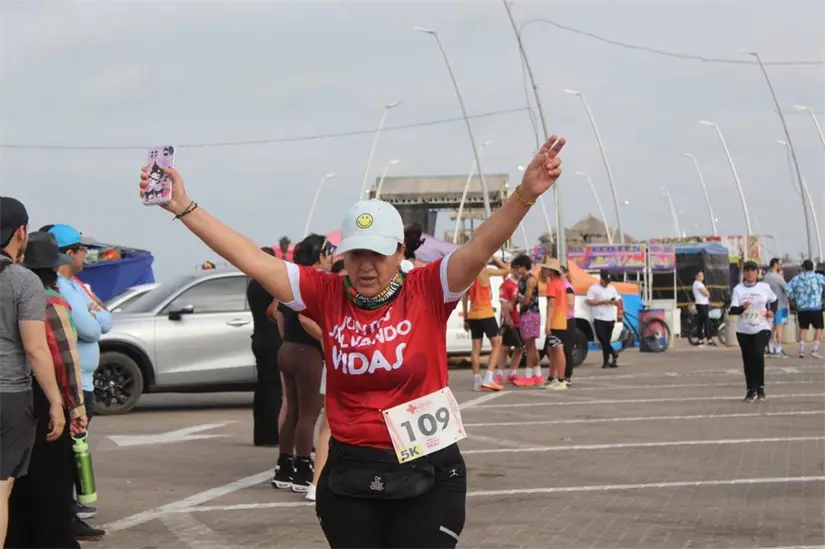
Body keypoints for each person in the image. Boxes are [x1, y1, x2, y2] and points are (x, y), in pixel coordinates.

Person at [138, 134, 565, 549]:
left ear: (400, 252)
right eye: (357, 254)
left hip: (429, 468)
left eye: (378, 254)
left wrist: (526, 194)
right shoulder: (326, 294)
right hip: (350, 474)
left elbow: (481, 245)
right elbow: (250, 258)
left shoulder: (428, 289)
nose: (366, 266)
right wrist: (183, 206)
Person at [7, 232, 93, 549]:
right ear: (54, 269)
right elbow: (65, 359)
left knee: (17, 480)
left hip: (15, 393)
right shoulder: (51, 301)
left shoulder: (11, 290)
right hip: (46, 396)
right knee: (52, 481)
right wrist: (75, 406)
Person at [0, 198, 65, 549]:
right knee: (0, 487)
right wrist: (55, 401)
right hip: (8, 395)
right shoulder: (22, 281)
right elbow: (36, 348)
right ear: (21, 232)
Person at [45, 224, 111, 534]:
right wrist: (93, 315)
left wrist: (94, 314)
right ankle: (66, 517)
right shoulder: (60, 286)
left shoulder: (77, 285)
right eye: (82, 250)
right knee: (69, 454)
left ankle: (68, 511)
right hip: (72, 385)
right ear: (68, 253)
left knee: (73, 450)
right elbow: (92, 328)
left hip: (82, 381)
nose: (86, 255)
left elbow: (105, 316)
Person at [271, 234, 333, 493]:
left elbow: (277, 313)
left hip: (287, 349)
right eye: (330, 252)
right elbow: (307, 319)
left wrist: (287, 338)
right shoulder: (319, 282)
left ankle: (285, 466)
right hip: (308, 352)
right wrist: (327, 339)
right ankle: (303, 468)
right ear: (320, 255)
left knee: (292, 411)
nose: (332, 258)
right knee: (309, 414)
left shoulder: (293, 280)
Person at [307, 259, 347, 503]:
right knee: (329, 425)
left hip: (369, 364)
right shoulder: (329, 296)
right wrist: (327, 338)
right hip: (338, 363)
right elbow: (304, 317)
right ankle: (316, 483)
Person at [247, 246, 284, 447]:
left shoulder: (253, 283)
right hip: (272, 338)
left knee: (262, 388)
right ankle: (272, 435)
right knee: (273, 389)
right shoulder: (268, 283)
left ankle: (261, 435)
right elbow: (274, 310)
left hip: (259, 337)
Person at [728, 261, 777, 401]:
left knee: (757, 354)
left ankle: (760, 386)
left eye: (752, 270)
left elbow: (774, 300)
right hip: (744, 329)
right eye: (747, 270)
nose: (750, 273)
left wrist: (772, 311)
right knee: (748, 358)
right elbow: (732, 310)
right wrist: (743, 307)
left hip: (762, 327)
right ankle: (751, 389)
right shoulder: (738, 289)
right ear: (744, 273)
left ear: (757, 272)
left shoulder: (764, 287)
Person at [461, 256, 508, 392]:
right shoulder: (486, 271)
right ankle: (488, 377)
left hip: (473, 314)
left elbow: (464, 298)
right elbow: (506, 270)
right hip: (486, 313)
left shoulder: (467, 275)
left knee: (476, 348)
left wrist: (466, 318)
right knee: (497, 343)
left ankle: (477, 381)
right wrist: (495, 258)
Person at [511, 253, 544, 387]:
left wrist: (517, 299)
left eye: (517, 267)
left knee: (530, 346)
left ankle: (528, 375)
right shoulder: (521, 280)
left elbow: (527, 299)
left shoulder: (531, 280)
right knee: (531, 346)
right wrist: (515, 301)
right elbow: (520, 298)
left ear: (523, 267)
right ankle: (538, 374)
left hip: (531, 314)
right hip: (524, 314)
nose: (515, 270)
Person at [785, 259, 825, 359]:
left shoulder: (796, 279)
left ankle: (802, 351)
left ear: (803, 268)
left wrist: (794, 298)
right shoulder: (818, 277)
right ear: (813, 267)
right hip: (815, 307)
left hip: (802, 308)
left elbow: (787, 290)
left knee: (803, 328)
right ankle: (815, 349)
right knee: (819, 328)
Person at [541, 257, 568, 390]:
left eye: (546, 269)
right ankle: (553, 378)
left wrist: (548, 323)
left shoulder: (552, 285)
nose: (544, 271)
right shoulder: (560, 284)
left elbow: (551, 305)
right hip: (561, 319)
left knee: (557, 350)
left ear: (551, 271)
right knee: (553, 350)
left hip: (556, 321)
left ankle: (561, 379)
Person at [586, 271, 621, 368]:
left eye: (608, 282)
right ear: (601, 279)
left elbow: (617, 300)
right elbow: (589, 301)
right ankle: (613, 352)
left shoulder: (612, 288)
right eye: (605, 281)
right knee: (602, 339)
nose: (606, 283)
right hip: (599, 317)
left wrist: (614, 302)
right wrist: (602, 302)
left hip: (610, 317)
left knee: (607, 341)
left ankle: (606, 361)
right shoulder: (594, 288)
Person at [497, 264, 524, 383]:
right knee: (505, 348)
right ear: (512, 269)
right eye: (516, 268)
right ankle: (499, 373)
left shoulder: (524, 283)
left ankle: (513, 372)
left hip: (522, 320)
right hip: (510, 321)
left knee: (519, 347)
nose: (519, 271)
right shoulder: (506, 285)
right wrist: (508, 319)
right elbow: (503, 303)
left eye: (520, 268)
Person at [764, 258, 789, 358]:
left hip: (770, 306)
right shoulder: (777, 277)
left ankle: (771, 347)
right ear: (775, 265)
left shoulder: (766, 277)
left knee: (772, 327)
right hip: (780, 305)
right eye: (780, 264)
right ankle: (778, 348)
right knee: (780, 327)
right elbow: (787, 288)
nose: (781, 266)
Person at [560, 266, 576, 385]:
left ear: (565, 274)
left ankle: (567, 376)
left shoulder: (567, 288)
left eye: (560, 273)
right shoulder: (559, 286)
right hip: (559, 320)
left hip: (567, 320)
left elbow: (570, 305)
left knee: (567, 349)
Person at [692, 270, 712, 346]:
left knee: (701, 322)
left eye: (702, 275)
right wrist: (707, 292)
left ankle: (700, 339)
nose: (702, 277)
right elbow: (706, 293)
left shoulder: (700, 284)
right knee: (706, 322)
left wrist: (707, 292)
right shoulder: (697, 284)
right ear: (696, 277)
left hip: (703, 304)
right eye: (700, 275)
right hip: (701, 304)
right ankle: (708, 339)